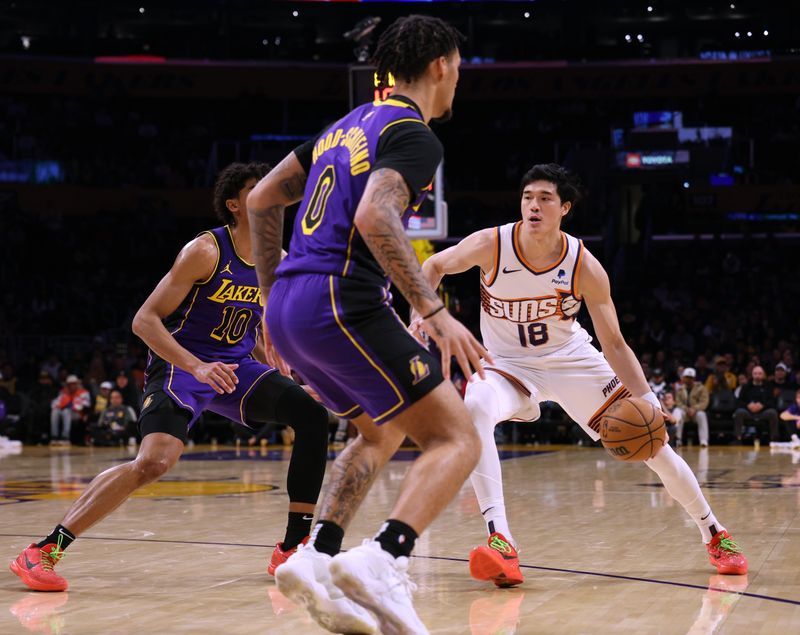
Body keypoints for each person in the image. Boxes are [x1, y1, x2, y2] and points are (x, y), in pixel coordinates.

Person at [248, 15, 487, 634]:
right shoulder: (413, 133)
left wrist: (272, 301)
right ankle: (385, 557)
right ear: (440, 65)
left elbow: (261, 199)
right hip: (340, 298)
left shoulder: (344, 127)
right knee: (457, 438)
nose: (459, 79)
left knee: (378, 431)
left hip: (294, 305)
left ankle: (315, 554)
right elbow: (376, 219)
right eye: (458, 67)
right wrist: (435, 315)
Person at [413, 163, 748, 590]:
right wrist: (423, 314)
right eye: (527, 197)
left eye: (545, 199)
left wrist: (648, 399)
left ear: (564, 207)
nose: (533, 205)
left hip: (570, 359)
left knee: (653, 443)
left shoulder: (583, 266)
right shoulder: (492, 244)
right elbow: (433, 267)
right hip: (507, 364)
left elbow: (614, 344)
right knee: (474, 404)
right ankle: (502, 541)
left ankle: (714, 533)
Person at [10, 162, 330, 593]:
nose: (273, 193)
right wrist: (197, 366)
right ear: (235, 205)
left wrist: (278, 366)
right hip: (182, 364)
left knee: (310, 415)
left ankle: (292, 547)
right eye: (259, 188)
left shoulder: (278, 261)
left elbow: (245, 324)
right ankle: (43, 550)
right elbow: (145, 321)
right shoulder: (206, 251)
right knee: (153, 463)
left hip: (234, 368)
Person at [732, 365, 782, 443]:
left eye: (759, 373)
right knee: (739, 412)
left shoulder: (768, 386)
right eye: (755, 373)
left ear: (763, 375)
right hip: (748, 412)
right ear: (752, 375)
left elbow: (772, 401)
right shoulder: (746, 386)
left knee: (773, 413)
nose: (757, 376)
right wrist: (748, 405)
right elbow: (739, 401)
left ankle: (774, 438)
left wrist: (762, 406)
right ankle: (737, 438)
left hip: (763, 412)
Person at [49, 374, 91, 445]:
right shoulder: (63, 392)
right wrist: (59, 405)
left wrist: (72, 404)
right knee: (55, 411)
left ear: (77, 384)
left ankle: (65, 438)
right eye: (70, 384)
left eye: (74, 384)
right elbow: (54, 404)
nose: (72, 386)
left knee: (66, 411)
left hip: (78, 414)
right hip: (65, 412)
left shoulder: (83, 392)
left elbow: (86, 404)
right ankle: (54, 437)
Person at [674, 367, 710, 448]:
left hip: (696, 412)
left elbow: (704, 402)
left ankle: (703, 440)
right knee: (678, 412)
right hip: (685, 412)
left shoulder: (701, 388)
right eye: (687, 377)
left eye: (690, 378)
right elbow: (678, 402)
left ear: (694, 378)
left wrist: (695, 409)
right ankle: (678, 439)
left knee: (702, 415)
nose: (688, 379)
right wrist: (687, 409)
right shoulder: (680, 389)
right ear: (683, 378)